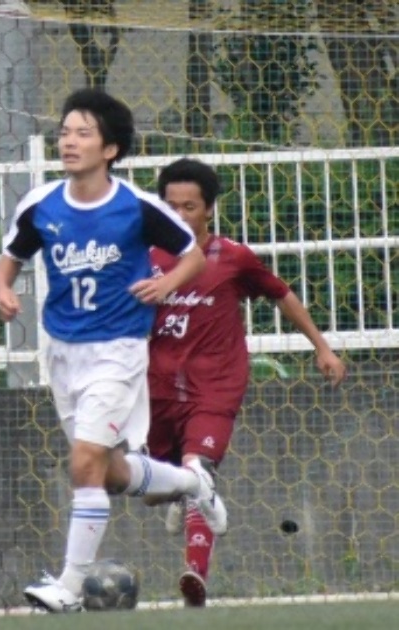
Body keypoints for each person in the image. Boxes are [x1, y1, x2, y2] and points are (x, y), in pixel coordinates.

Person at [0, 89, 227, 613]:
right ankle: (194, 483)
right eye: (65, 131)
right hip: (62, 353)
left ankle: (70, 588)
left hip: (118, 351)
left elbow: (192, 257)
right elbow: (10, 257)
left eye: (83, 133)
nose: (69, 141)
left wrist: (165, 287)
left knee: (83, 464)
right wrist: (3, 289)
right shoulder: (41, 204)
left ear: (111, 149)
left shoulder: (136, 205)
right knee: (113, 472)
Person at [146, 158, 347, 607]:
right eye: (171, 206)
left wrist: (322, 347)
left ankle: (195, 573)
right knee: (155, 488)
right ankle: (178, 490)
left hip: (215, 385)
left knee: (199, 467)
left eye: (190, 206)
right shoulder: (146, 259)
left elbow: (282, 294)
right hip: (156, 386)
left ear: (209, 209)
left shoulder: (232, 257)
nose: (181, 215)